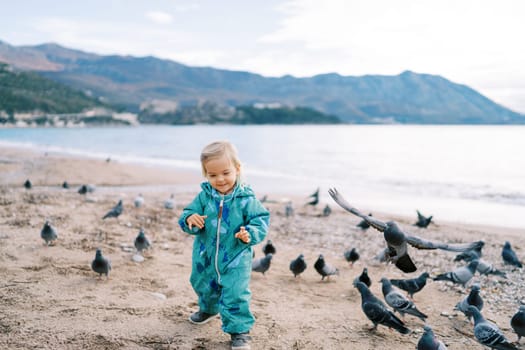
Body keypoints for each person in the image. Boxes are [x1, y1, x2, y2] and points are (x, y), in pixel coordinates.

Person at [178, 140, 270, 350]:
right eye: (212, 175)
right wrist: (190, 219)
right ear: (206, 175)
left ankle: (239, 331)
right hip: (205, 256)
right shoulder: (204, 196)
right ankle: (209, 309)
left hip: (235, 257)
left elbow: (261, 220)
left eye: (226, 173)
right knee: (202, 284)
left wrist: (250, 233)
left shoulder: (246, 199)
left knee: (235, 292)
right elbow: (185, 215)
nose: (220, 179)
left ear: (237, 169)